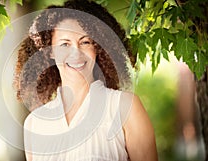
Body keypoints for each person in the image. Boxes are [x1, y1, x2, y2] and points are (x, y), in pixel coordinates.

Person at [13, 0, 158, 160]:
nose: (76, 53)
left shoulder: (124, 107)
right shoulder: (35, 123)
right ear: (50, 52)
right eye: (65, 44)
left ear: (98, 48)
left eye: (85, 42)